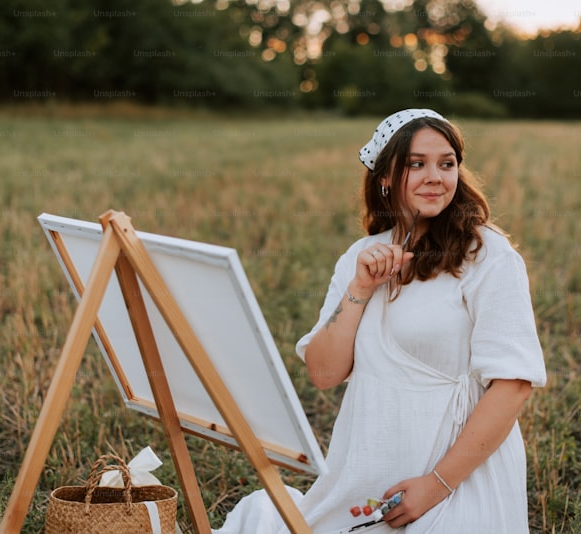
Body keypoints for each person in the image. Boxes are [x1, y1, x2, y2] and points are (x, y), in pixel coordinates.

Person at [215, 109, 547, 533]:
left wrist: (435, 485)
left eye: (447, 164)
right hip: (372, 468)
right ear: (385, 176)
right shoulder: (362, 255)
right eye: (416, 163)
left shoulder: (488, 256)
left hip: (460, 476)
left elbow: (513, 385)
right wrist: (360, 287)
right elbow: (323, 371)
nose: (435, 176)